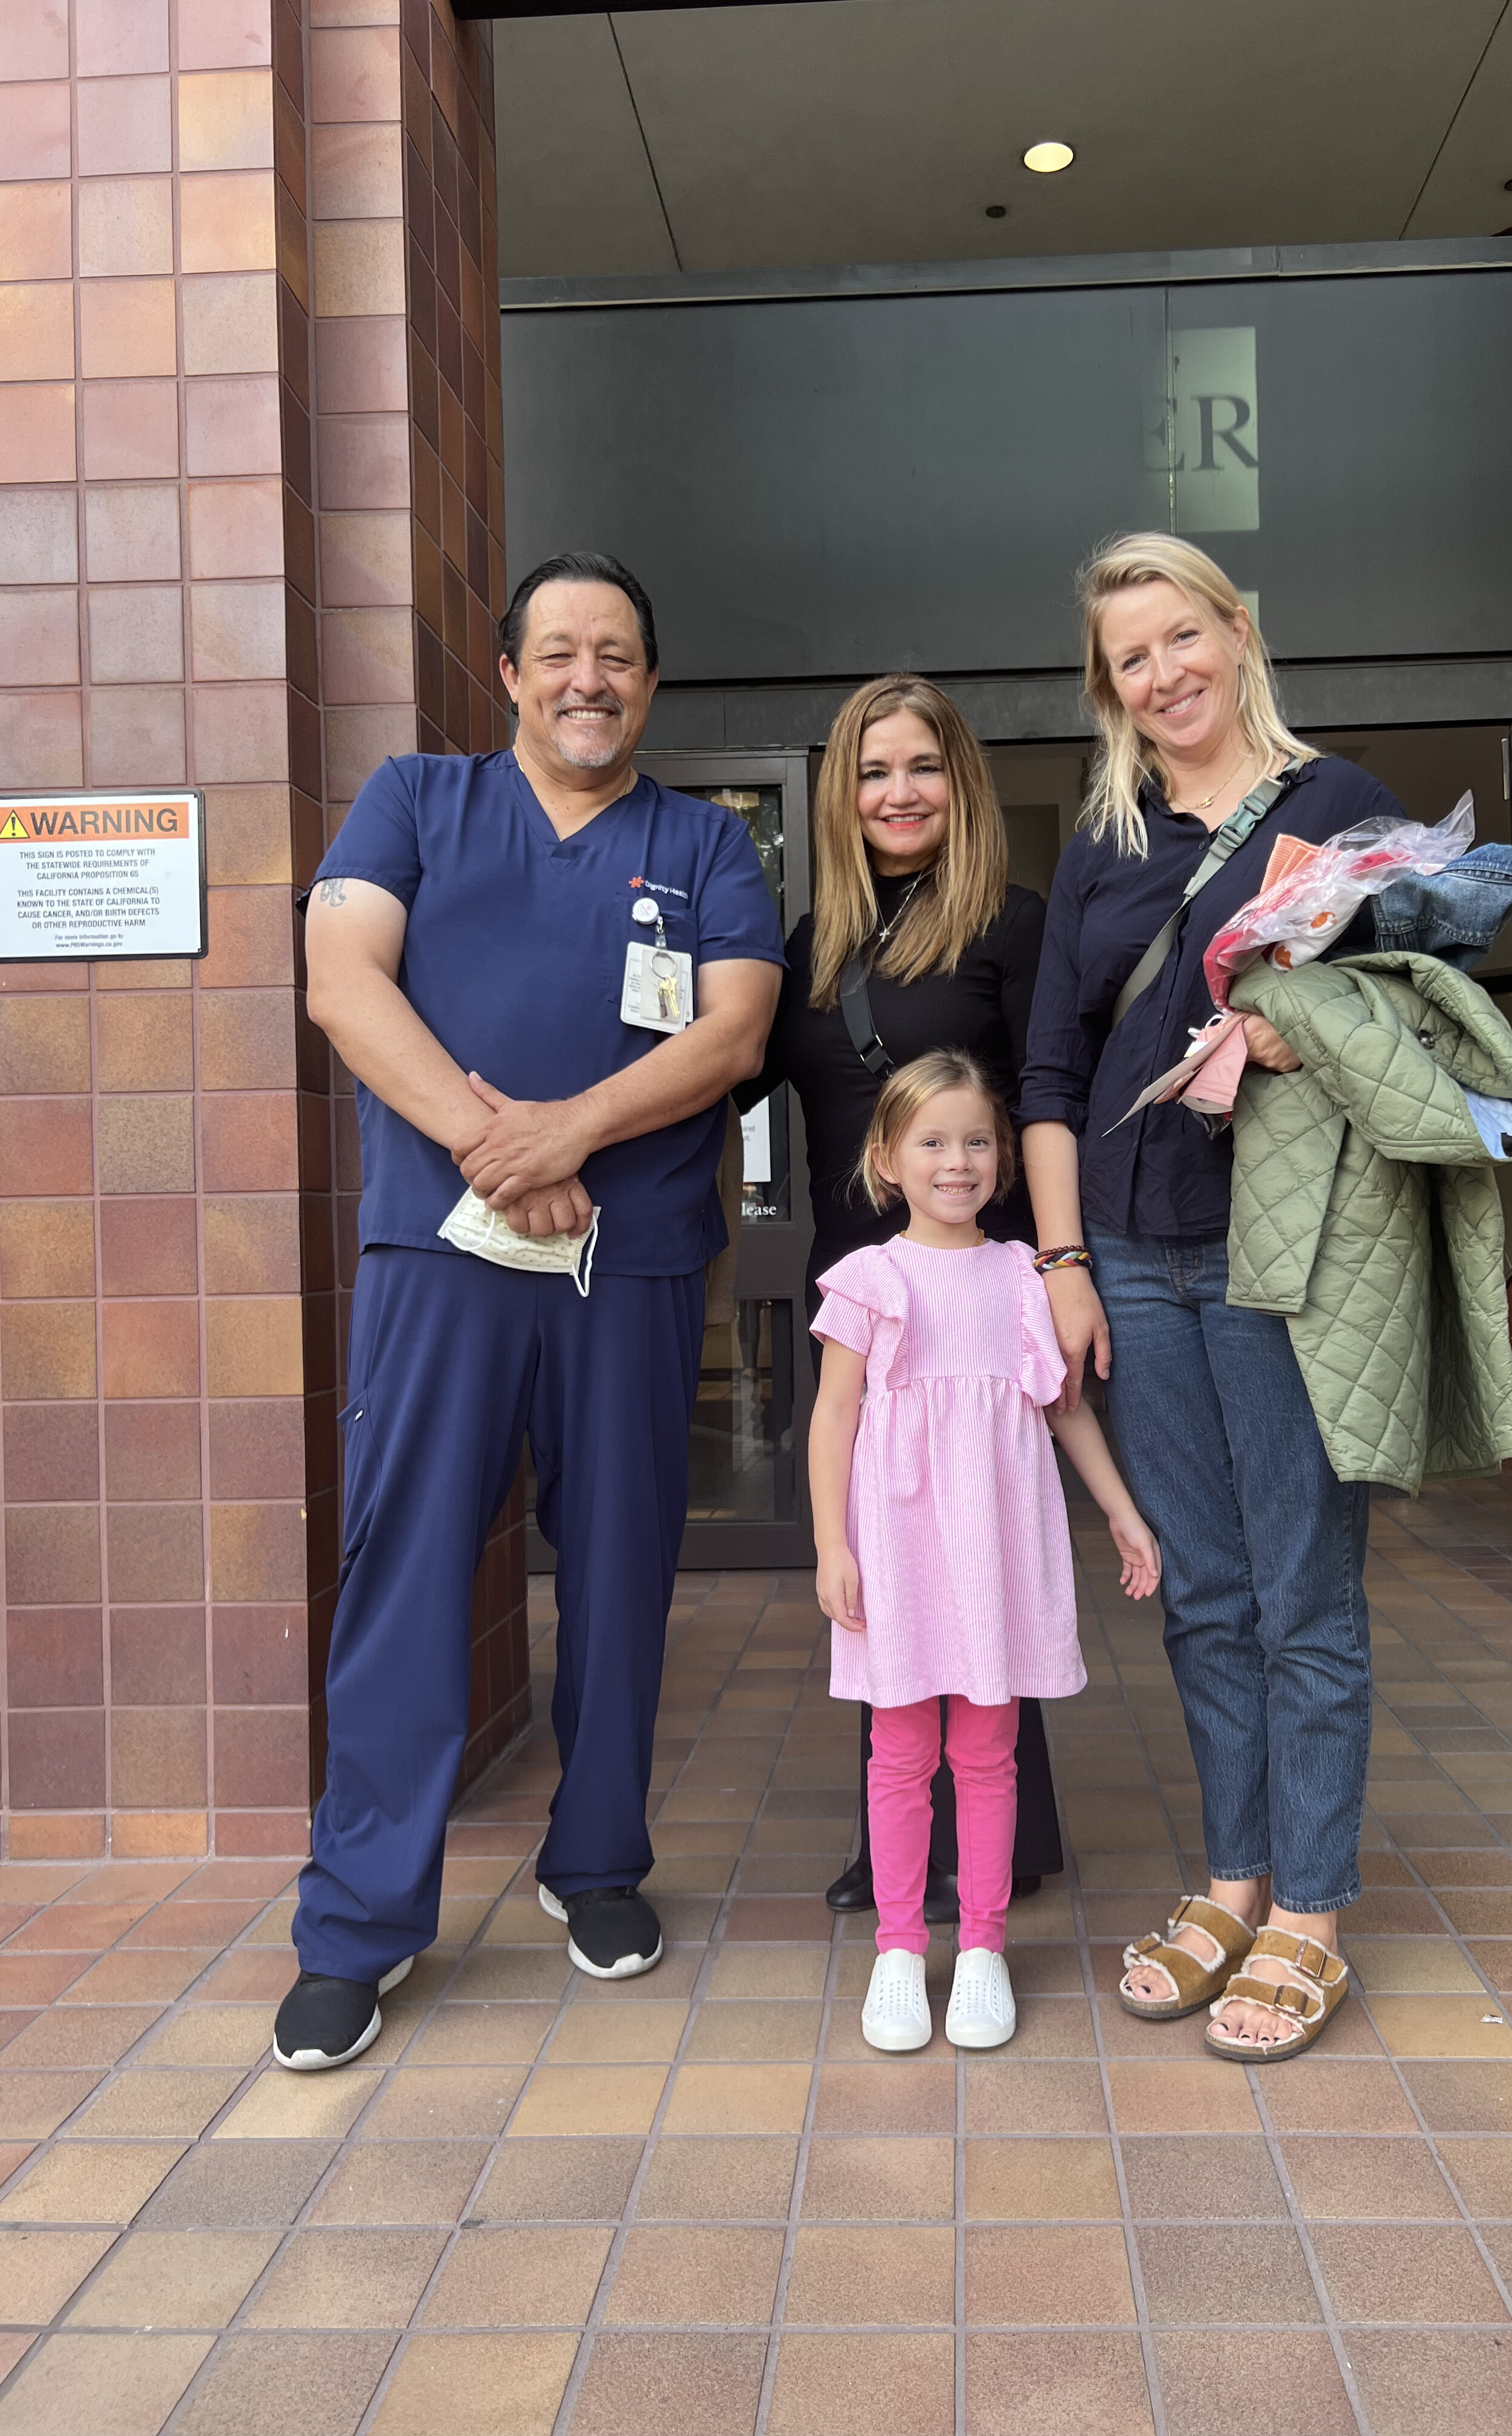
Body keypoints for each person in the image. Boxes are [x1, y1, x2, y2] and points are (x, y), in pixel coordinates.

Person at [274, 552, 785, 2071]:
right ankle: (358, 1926)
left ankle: (599, 1864)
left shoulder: (705, 843)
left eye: (617, 655)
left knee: (622, 1579)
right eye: (558, 651)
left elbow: (735, 1026)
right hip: (442, 1259)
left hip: (625, 1270)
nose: (588, 678)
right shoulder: (415, 800)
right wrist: (500, 1151)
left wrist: (570, 1136)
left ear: (649, 680)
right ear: (507, 674)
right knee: (408, 1569)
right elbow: (342, 981)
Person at [1018, 533, 1410, 2063]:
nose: (1166, 673)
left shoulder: (1341, 808)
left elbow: (1405, 1016)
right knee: (1199, 1591)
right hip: (1131, 1246)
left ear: (1240, 633)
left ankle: (1313, 1905)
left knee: (1302, 1584)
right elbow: (1050, 1068)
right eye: (1134, 656)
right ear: (1108, 685)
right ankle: (1235, 1879)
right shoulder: (1105, 840)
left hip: (1282, 1248)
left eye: (1185, 637)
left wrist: (1297, 1034)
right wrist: (1060, 1262)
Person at [745, 675, 1065, 1917]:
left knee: (977, 1556)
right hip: (864, 1300)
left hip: (981, 1290)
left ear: (960, 782)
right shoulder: (808, 946)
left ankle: (995, 1839)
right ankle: (903, 1842)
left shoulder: (1015, 925)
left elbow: (1046, 1102)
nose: (898, 793)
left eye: (922, 767)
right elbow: (722, 1075)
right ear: (843, 793)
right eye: (874, 772)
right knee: (880, 1564)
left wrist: (1057, 1265)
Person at [809, 1054, 1159, 2052]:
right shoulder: (870, 1280)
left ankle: (984, 1949)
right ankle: (897, 1950)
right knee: (900, 1752)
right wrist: (833, 1543)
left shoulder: (1021, 1274)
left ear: (1002, 1161)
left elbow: (1064, 1411)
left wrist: (1124, 1515)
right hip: (903, 1549)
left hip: (997, 1547)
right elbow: (834, 1418)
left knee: (989, 1753)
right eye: (931, 1142)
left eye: (975, 1142)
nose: (955, 1162)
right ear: (887, 1161)